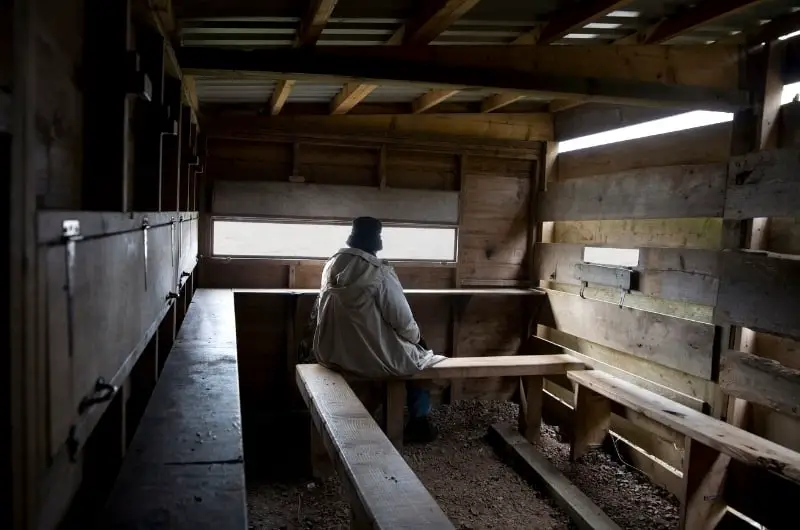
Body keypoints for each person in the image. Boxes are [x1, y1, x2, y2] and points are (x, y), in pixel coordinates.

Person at [313, 216, 446, 443]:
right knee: (421, 358)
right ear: (377, 241)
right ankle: (419, 422)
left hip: (332, 352)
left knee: (409, 351)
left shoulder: (331, 266)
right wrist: (418, 340)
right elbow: (402, 321)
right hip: (370, 357)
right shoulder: (378, 272)